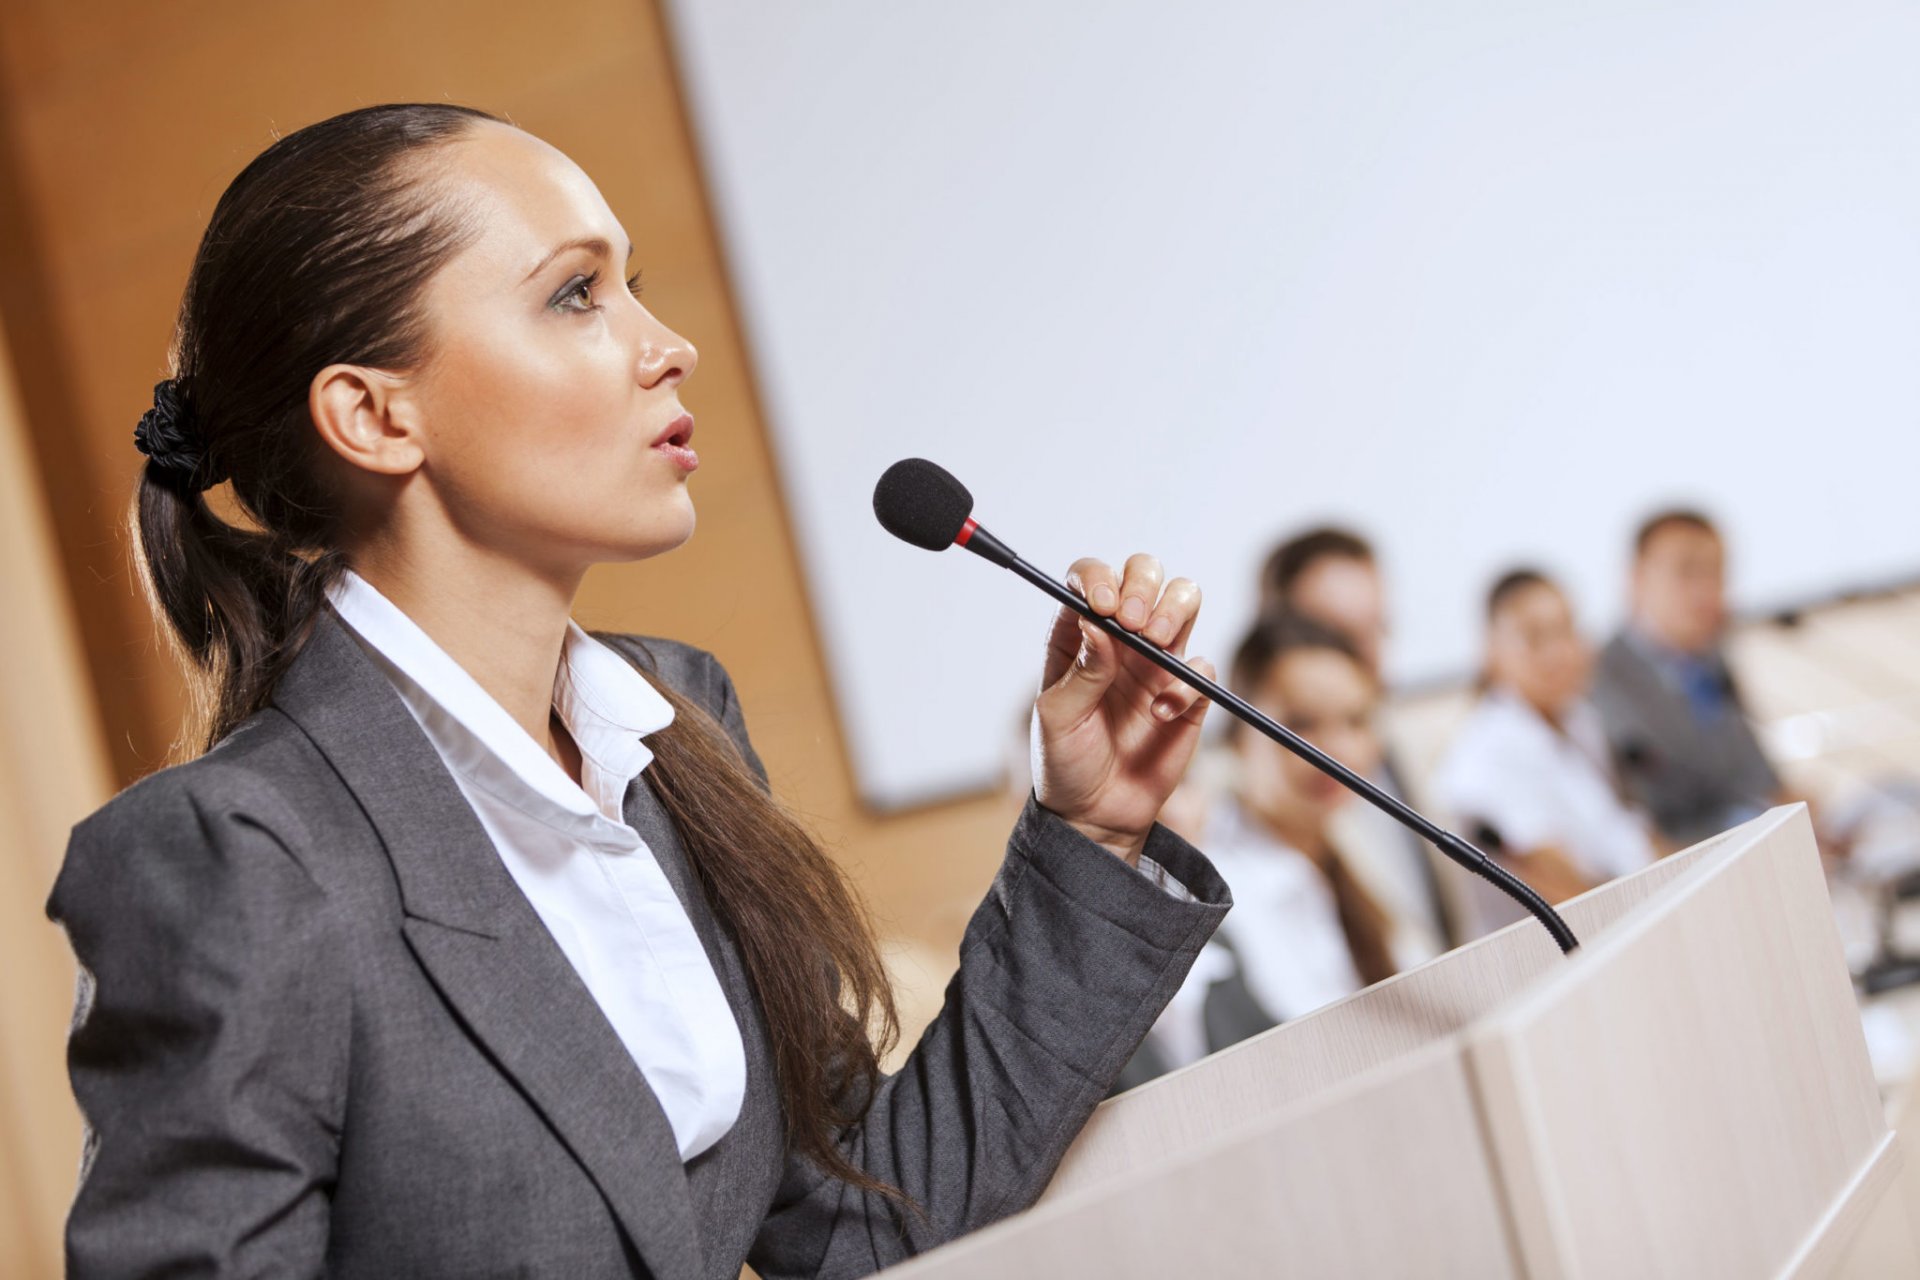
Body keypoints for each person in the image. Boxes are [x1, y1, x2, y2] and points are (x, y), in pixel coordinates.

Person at [45, 104, 1233, 1280]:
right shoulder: (232, 853)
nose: (668, 344)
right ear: (373, 413)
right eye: (576, 294)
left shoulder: (675, 726)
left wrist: (1090, 825)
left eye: (634, 282)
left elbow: (865, 1221)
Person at [1119, 612, 1399, 1087]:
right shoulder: (1206, 891)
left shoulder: (1366, 843)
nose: (1335, 749)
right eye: (1302, 723)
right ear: (1237, 734)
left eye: (1356, 721)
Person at [1258, 526, 1455, 959]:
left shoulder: (1406, 743)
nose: (1370, 660)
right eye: (1339, 637)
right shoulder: (1266, 807)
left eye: (1378, 630)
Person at [1432, 570, 1659, 931]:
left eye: (1567, 630)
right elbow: (1558, 888)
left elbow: (1625, 838)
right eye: (1534, 638)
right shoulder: (1484, 756)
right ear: (1491, 652)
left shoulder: (1580, 720)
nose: (1559, 652)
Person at [1591, 509, 1785, 846]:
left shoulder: (1712, 661)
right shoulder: (1597, 680)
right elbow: (1651, 817)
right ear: (1637, 578)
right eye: (1687, 571)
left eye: (1716, 573)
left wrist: (1793, 810)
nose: (1705, 590)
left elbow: (1757, 775)